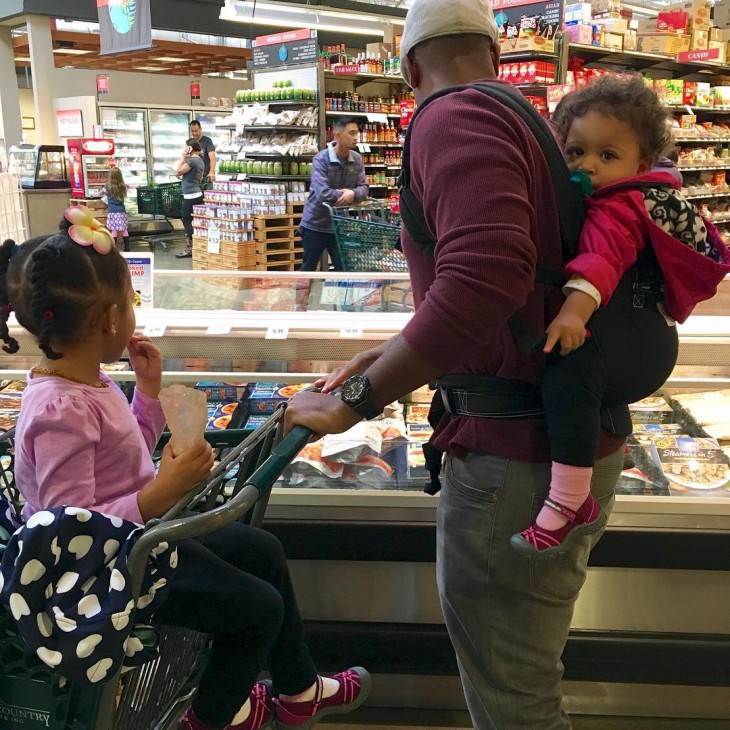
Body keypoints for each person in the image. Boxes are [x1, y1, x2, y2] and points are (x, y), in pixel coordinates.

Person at [283, 1, 627, 728]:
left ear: (409, 67)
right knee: (525, 682)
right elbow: (506, 286)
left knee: (515, 701)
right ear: (493, 54)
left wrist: (358, 401)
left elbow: (484, 277)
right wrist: (393, 350)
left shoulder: (450, 118)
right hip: (556, 441)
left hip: (513, 457)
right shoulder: (518, 115)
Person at [2, 209, 371, 730]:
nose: (134, 313)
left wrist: (148, 395)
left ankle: (299, 690)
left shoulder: (88, 380)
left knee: (260, 550)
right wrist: (162, 491)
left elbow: (121, 458)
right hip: (101, 576)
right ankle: (214, 717)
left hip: (138, 542)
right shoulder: (58, 410)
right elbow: (74, 528)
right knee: (257, 610)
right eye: (130, 302)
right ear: (109, 319)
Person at [511, 75, 730, 557]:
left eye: (607, 156)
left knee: (564, 378)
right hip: (649, 341)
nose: (587, 165)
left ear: (642, 164)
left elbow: (602, 260)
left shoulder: (620, 204)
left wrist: (572, 311)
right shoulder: (651, 195)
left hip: (624, 353)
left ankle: (569, 501)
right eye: (575, 152)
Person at [299, 118, 369, 271]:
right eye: (351, 133)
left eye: (357, 133)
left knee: (343, 270)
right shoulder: (321, 159)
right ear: (337, 135)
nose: (356, 137)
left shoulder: (357, 159)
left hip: (339, 225)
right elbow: (322, 192)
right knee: (307, 271)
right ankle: (302, 296)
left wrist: (353, 193)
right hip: (314, 224)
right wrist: (346, 197)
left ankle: (336, 296)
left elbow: (364, 188)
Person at [175, 142, 204, 259]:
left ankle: (189, 249)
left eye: (186, 146)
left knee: (187, 221)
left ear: (190, 148)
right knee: (194, 222)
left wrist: (183, 158)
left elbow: (178, 172)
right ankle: (196, 247)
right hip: (197, 194)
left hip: (190, 196)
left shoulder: (191, 161)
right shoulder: (200, 161)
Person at [104, 167, 130, 252]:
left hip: (112, 212)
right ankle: (127, 248)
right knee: (124, 230)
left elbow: (100, 192)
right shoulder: (123, 186)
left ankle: (113, 249)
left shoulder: (107, 186)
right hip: (122, 212)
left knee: (114, 230)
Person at [189, 119, 217, 186]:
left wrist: (212, 172)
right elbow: (187, 158)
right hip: (194, 178)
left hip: (206, 177)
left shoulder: (207, 141)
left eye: (196, 131)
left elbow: (212, 158)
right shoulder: (190, 142)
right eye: (192, 131)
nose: (194, 133)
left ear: (200, 129)